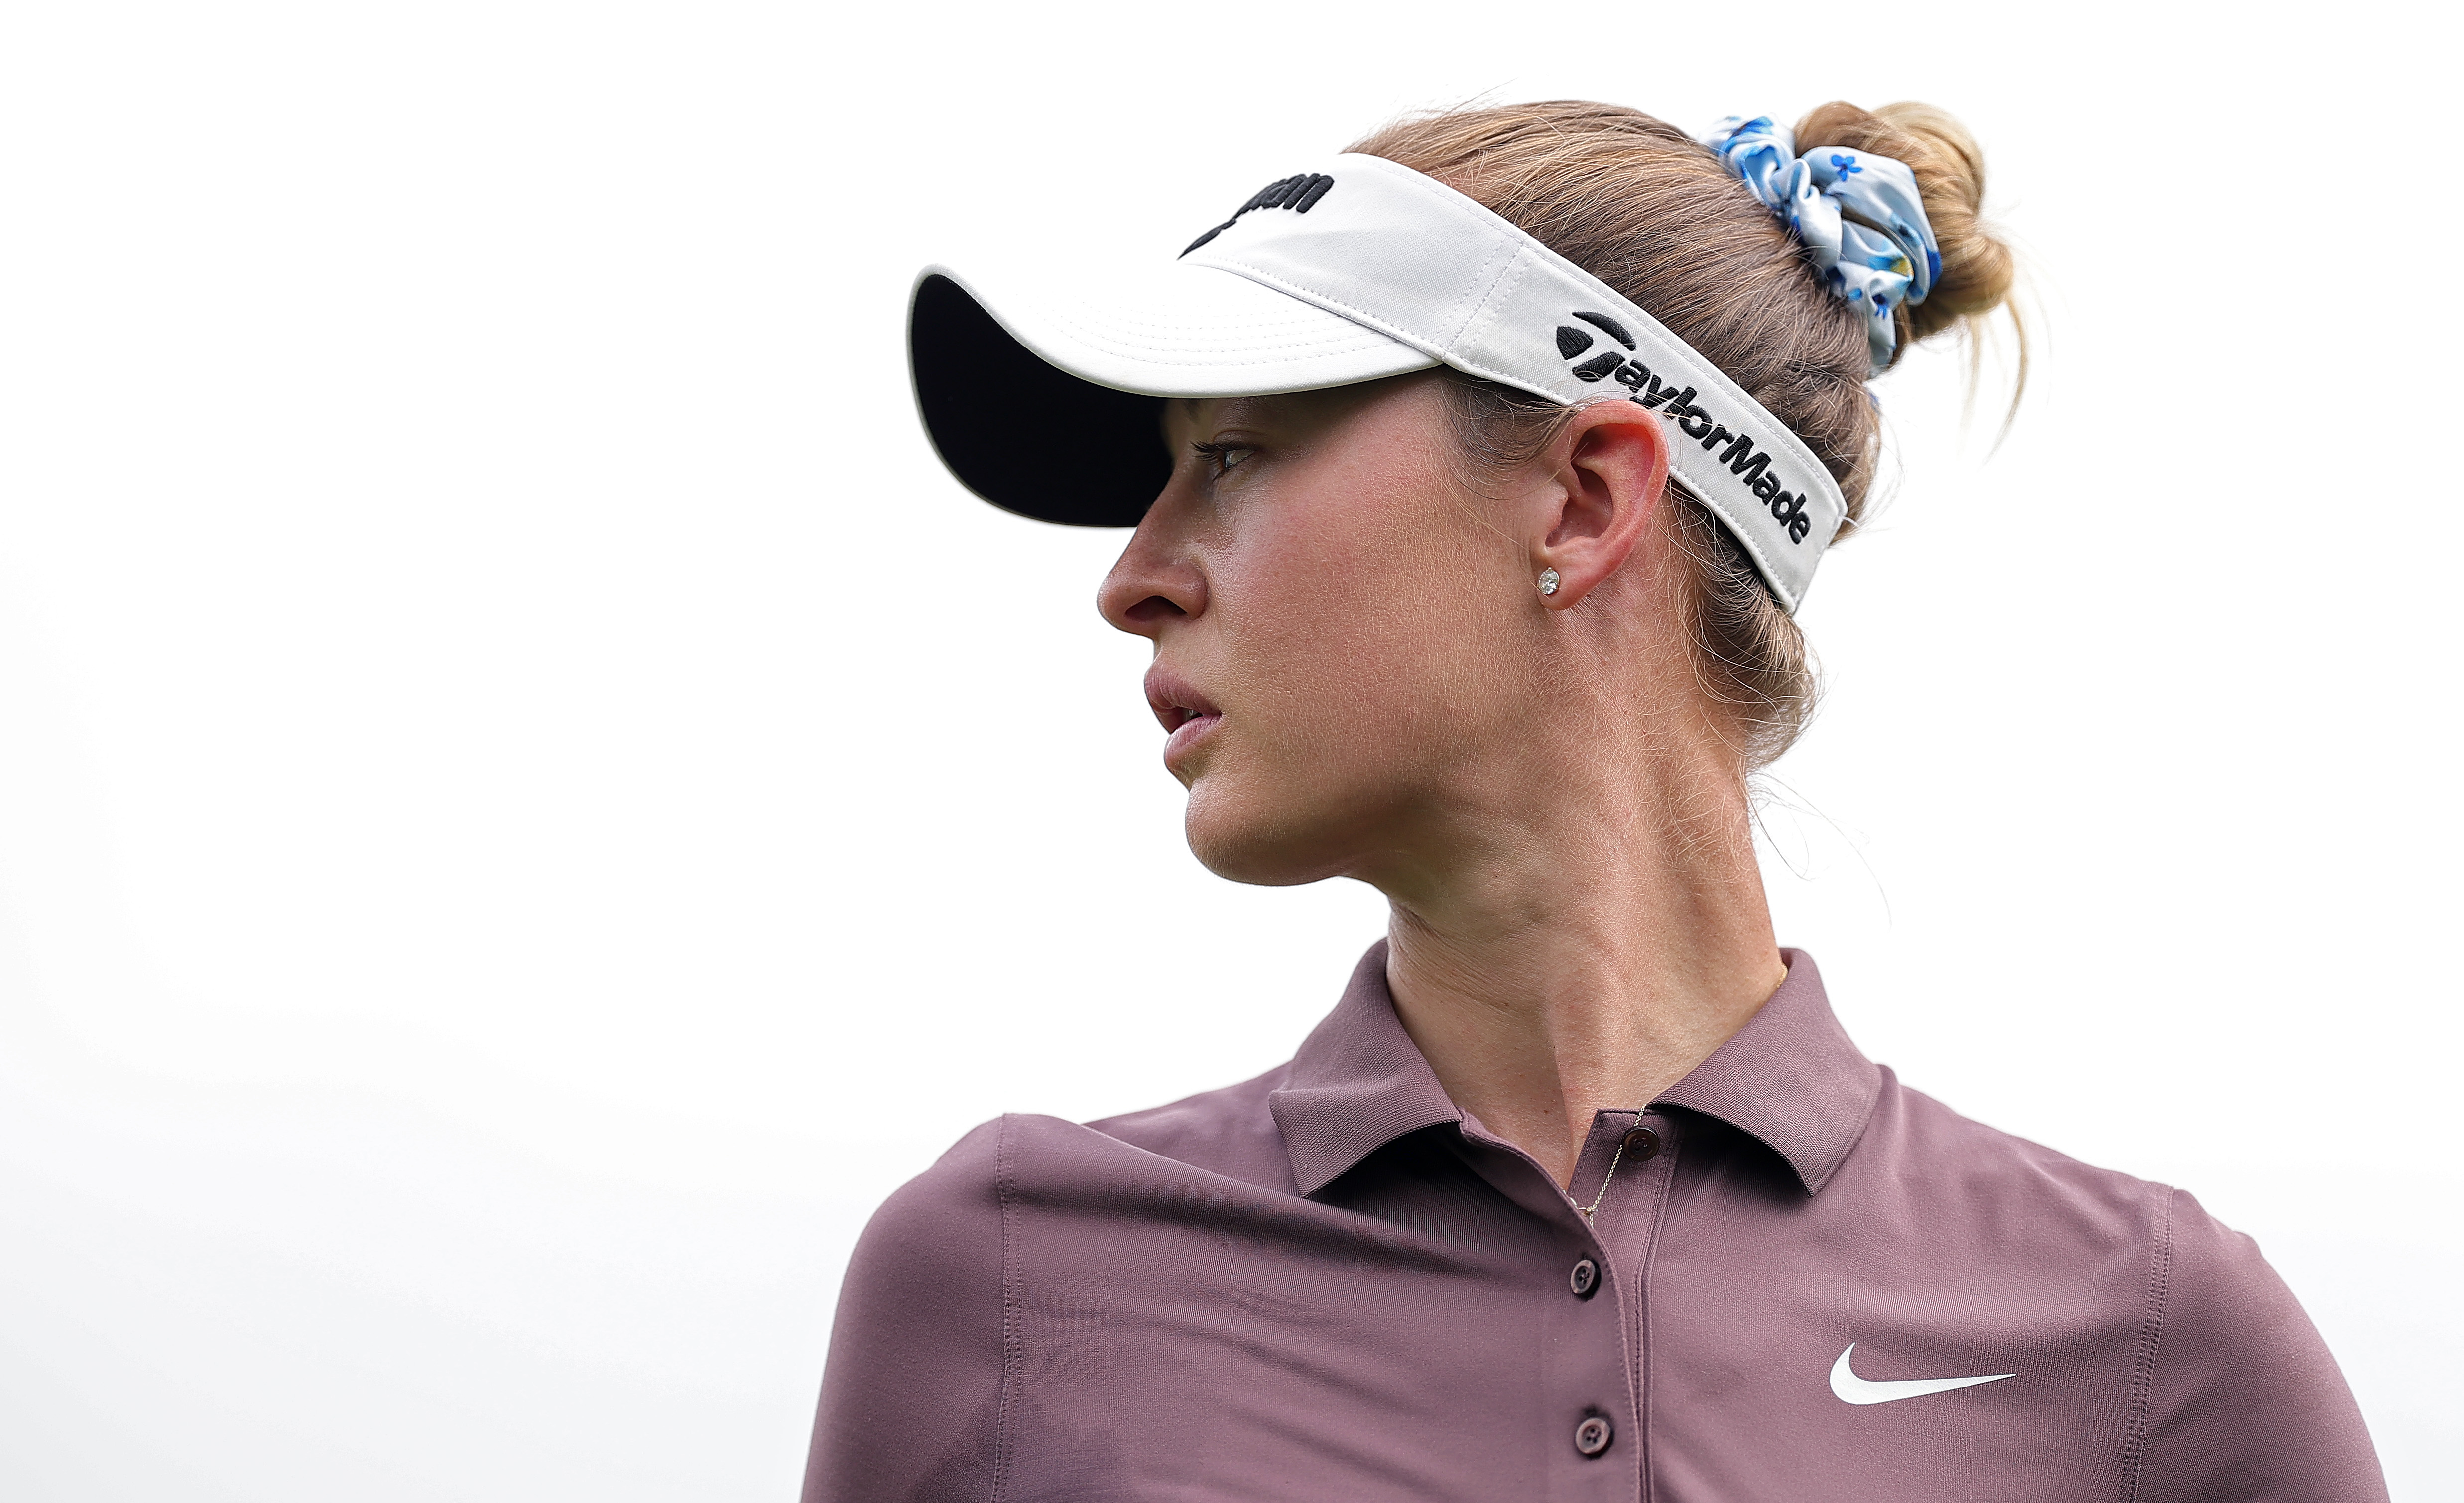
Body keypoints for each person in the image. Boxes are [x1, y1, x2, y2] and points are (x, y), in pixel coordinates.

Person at [805, 101, 2387, 1501]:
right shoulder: (1005, 1278)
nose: (1133, 581)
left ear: (1581, 499)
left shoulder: (2152, 1349)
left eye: (1226, 454)